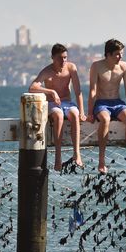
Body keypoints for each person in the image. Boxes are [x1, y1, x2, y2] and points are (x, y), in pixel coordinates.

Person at [29, 43, 85, 171]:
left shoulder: (71, 68)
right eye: (60, 58)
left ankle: (77, 154)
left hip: (67, 102)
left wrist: (82, 111)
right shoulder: (47, 71)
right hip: (52, 104)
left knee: (75, 115)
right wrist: (51, 92)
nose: (63, 60)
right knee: (59, 116)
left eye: (65, 57)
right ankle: (58, 158)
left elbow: (78, 91)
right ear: (53, 58)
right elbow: (32, 87)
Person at [87, 39, 126, 174]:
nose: (120, 57)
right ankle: (102, 161)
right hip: (102, 102)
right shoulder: (96, 66)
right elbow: (92, 91)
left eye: (121, 54)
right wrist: (90, 112)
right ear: (108, 54)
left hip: (117, 102)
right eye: (117, 54)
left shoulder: (124, 66)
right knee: (105, 119)